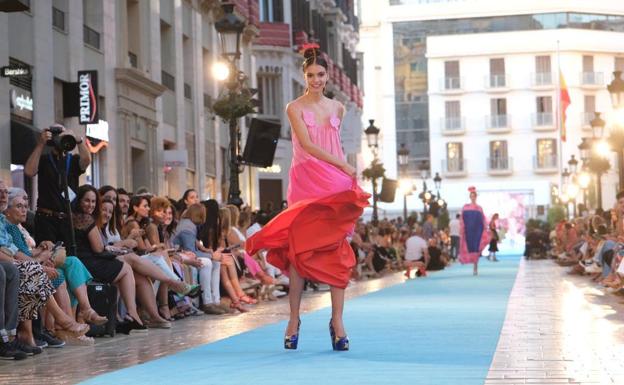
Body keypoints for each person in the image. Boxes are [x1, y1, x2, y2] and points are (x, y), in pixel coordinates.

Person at [246, 44, 370, 351]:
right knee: (299, 252)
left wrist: (345, 172)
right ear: (304, 74)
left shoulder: (338, 108)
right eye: (311, 74)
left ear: (328, 76)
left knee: (336, 248)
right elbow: (308, 146)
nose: (316, 79)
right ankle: (293, 319)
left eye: (321, 74)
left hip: (335, 183)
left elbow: (335, 145)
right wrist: (342, 164)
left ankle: (337, 321)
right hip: (306, 179)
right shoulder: (294, 107)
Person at [24, 124, 90, 246]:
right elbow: (29, 171)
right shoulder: (44, 159)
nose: (59, 137)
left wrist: (78, 140)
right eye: (56, 133)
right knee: (48, 255)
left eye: (62, 133)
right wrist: (41, 143)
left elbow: (86, 160)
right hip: (46, 217)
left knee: (69, 255)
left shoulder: (73, 160)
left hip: (68, 218)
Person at [459, 186, 490, 276]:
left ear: (476, 197)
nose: (473, 197)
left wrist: (485, 228)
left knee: (476, 247)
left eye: (474, 195)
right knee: (469, 246)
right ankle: (470, 262)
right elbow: (462, 219)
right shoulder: (465, 207)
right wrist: (462, 228)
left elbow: (483, 219)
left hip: (477, 230)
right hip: (468, 230)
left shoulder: (479, 208)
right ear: (470, 196)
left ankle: (475, 267)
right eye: (471, 195)